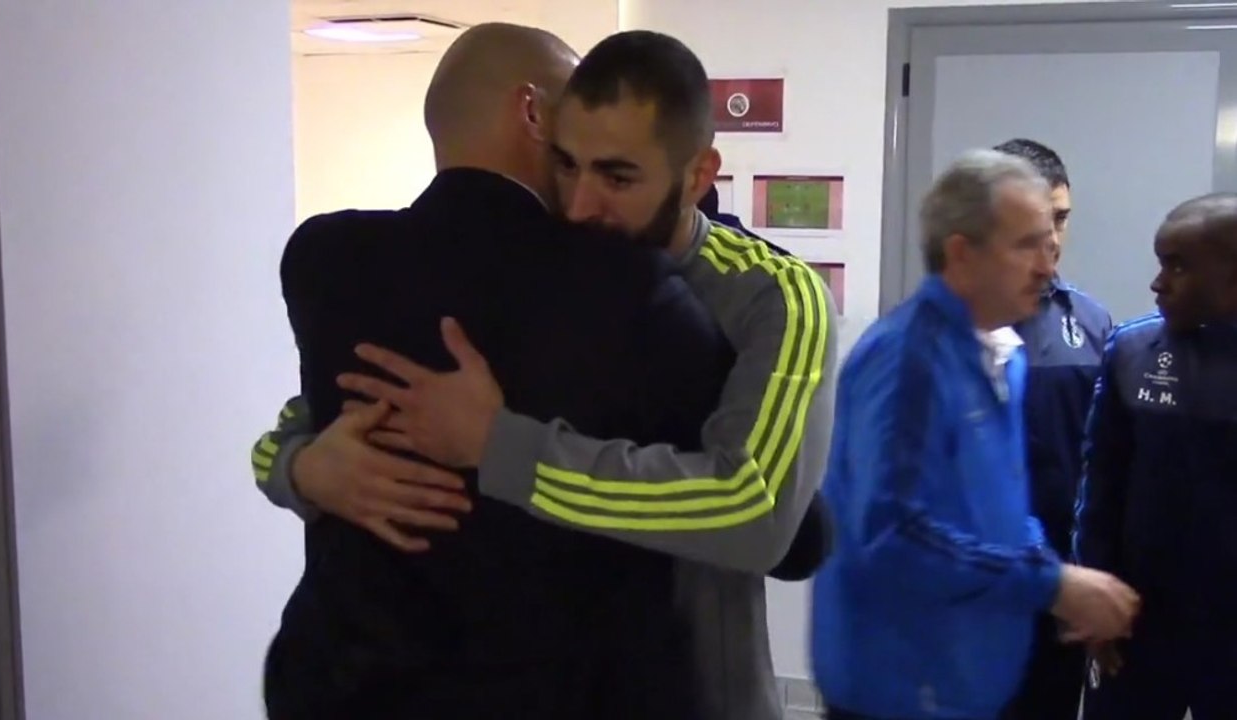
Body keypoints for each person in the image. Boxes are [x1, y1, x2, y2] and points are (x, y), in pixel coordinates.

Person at [254, 30, 837, 720]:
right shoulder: (543, 272)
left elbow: (765, 517)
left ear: (697, 177)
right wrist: (295, 467)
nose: (583, 203)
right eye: (566, 164)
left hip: (696, 685)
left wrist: (499, 445)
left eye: (617, 176)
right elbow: (316, 411)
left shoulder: (770, 297)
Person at [809, 149, 1141, 720]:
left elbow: (1004, 510)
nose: (1048, 262)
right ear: (962, 254)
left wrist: (1052, 572)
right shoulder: (907, 359)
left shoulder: (998, 352)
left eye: (1052, 236)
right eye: (1025, 245)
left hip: (969, 680)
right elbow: (892, 535)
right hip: (901, 688)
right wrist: (1051, 581)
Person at [1075, 192, 1237, 720]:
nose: (1158, 282)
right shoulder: (1131, 353)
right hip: (1139, 625)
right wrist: (1096, 602)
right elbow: (1099, 491)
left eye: (1179, 265)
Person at [993, 139, 1113, 720]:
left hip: (1062, 588)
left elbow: (1106, 463)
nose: (1053, 238)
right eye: (1037, 221)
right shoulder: (940, 332)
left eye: (1061, 218)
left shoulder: (1092, 324)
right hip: (977, 590)